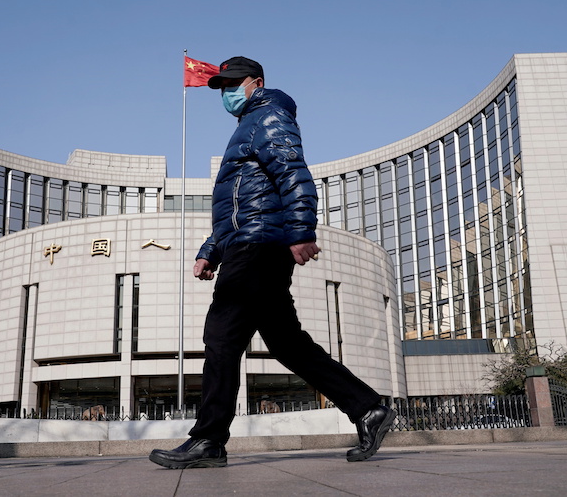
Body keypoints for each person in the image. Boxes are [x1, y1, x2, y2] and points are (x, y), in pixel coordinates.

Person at [149, 56, 395, 469]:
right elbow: (238, 205)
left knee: (222, 337)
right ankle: (368, 409)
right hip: (249, 244)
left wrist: (301, 231)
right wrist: (211, 249)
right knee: (288, 344)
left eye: (232, 83)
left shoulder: (268, 115)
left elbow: (294, 174)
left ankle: (208, 440)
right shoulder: (249, 124)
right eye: (221, 85)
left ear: (255, 82)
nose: (226, 92)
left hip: (259, 247)